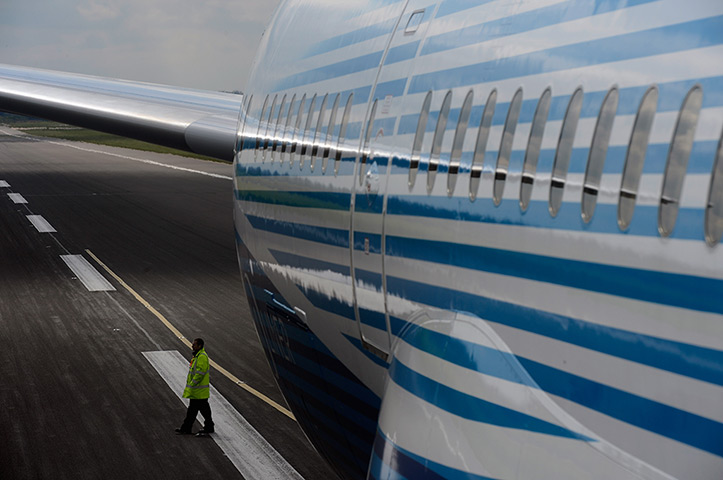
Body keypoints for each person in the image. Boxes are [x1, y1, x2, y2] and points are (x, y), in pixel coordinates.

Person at [175, 338, 214, 436]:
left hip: (199, 390)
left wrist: (193, 383)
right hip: (197, 391)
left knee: (199, 410)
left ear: (200, 346)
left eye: (194, 344)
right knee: (195, 410)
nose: (192, 346)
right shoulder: (197, 356)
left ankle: (206, 427)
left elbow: (200, 372)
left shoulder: (201, 357)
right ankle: (187, 428)